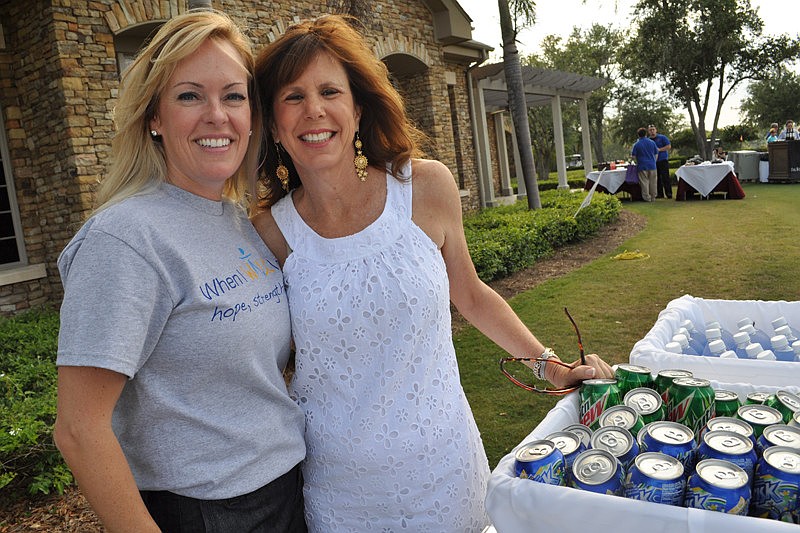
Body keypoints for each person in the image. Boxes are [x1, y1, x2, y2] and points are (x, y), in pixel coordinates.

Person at [251, 14, 614, 532]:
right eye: (292, 96)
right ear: (273, 120)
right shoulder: (270, 233)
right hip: (339, 489)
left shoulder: (424, 188)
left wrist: (551, 368)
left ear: (357, 107)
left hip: (443, 470)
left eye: (330, 90)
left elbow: (470, 295)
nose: (314, 110)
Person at [53, 10, 307, 533]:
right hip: (203, 512)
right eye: (190, 95)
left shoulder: (239, 223)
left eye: (234, 96)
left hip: (286, 488)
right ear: (154, 117)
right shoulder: (125, 239)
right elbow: (78, 429)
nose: (217, 115)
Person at [631, 127, 658, 201]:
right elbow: (656, 153)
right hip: (652, 165)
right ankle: (653, 197)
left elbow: (633, 156)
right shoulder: (652, 142)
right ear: (646, 134)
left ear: (638, 135)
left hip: (642, 165)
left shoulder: (636, 144)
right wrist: (654, 161)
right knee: (653, 182)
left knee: (644, 182)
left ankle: (647, 197)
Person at [648, 124, 672, 199]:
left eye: (653, 129)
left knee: (665, 177)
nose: (652, 131)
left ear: (656, 130)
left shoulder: (662, 137)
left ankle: (669, 193)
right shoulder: (648, 140)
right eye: (650, 130)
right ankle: (660, 194)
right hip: (654, 161)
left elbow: (668, 146)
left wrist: (659, 150)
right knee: (656, 178)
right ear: (648, 132)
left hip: (663, 160)